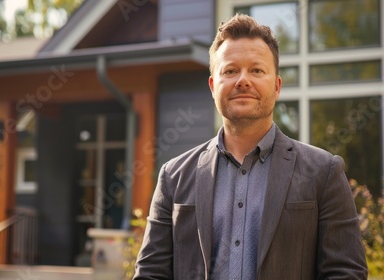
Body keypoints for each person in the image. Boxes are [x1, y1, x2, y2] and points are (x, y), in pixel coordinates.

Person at [133, 14, 368, 279]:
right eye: (230, 71)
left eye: (256, 70)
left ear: (277, 86)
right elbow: (151, 273)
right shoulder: (173, 177)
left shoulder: (324, 173)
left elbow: (346, 273)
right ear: (213, 86)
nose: (243, 80)